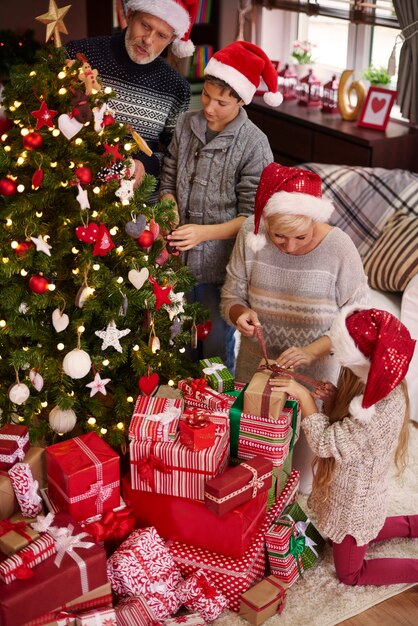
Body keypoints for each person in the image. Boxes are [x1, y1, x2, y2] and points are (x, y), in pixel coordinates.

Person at [220, 162, 369, 490]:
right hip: (255, 367)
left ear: (315, 219)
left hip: (315, 377)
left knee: (300, 482)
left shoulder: (340, 247)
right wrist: (239, 313)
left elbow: (358, 319)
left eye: (301, 236)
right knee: (252, 471)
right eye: (279, 237)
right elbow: (231, 293)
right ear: (265, 224)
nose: (289, 246)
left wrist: (311, 351)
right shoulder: (250, 233)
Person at [269, 307, 418, 586]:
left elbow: (327, 443)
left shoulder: (377, 411)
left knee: (350, 572)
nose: (342, 366)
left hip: (354, 503)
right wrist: (335, 398)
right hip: (358, 494)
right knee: (361, 529)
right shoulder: (381, 385)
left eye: (348, 362)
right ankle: (413, 524)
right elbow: (351, 430)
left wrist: (303, 397)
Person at [161, 41, 282, 371]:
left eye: (223, 102)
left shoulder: (254, 144)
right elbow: (168, 178)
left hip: (222, 270)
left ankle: (215, 416)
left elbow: (252, 217)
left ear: (242, 100)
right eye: (207, 96)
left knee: (214, 349)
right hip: (176, 263)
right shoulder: (186, 125)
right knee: (175, 342)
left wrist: (203, 234)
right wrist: (169, 206)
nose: (210, 107)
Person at [65, 0, 198, 191]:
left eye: (161, 35)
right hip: (73, 192)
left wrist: (146, 165)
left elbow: (173, 156)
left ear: (171, 40)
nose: (148, 40)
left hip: (136, 205)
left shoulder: (177, 88)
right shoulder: (79, 55)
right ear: (130, 14)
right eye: (145, 25)